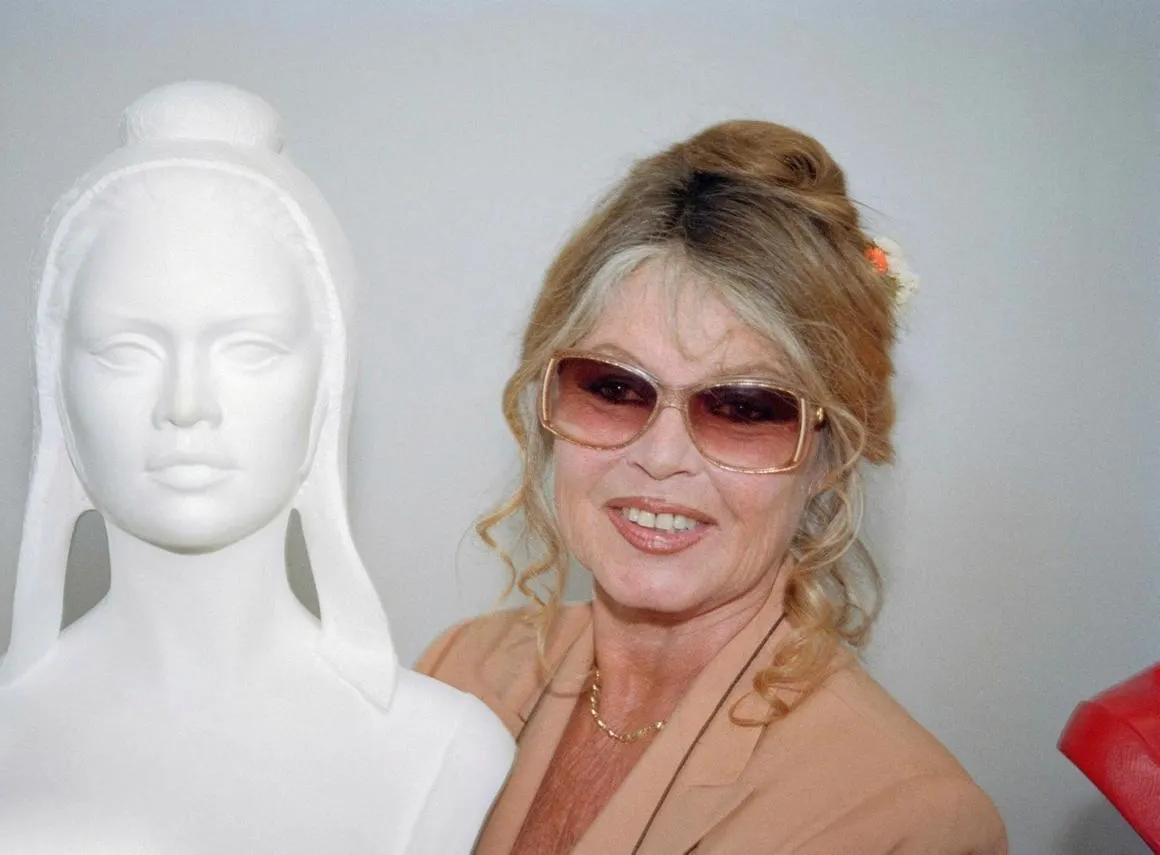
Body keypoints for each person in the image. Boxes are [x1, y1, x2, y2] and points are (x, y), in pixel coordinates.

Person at [0, 81, 513, 854]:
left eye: (250, 349)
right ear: (58, 386)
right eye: (127, 350)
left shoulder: (445, 759)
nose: (186, 403)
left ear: (327, 382)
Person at [419, 120, 1007, 854]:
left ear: (829, 455)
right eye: (614, 388)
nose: (661, 456)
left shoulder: (905, 821)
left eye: (743, 408)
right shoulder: (458, 675)